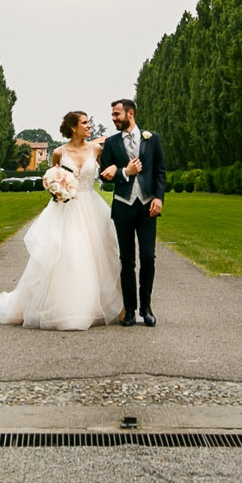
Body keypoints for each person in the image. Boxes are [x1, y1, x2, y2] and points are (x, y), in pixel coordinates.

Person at [0, 110, 124, 331]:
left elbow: (111, 168)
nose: (89, 126)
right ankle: (64, 306)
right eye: (85, 123)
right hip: (66, 209)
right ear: (73, 127)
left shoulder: (96, 150)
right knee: (68, 254)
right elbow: (52, 178)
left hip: (91, 207)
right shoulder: (59, 153)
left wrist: (115, 168)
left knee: (98, 253)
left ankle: (99, 304)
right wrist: (57, 190)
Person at [96, 97, 166, 327]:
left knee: (147, 257)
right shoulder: (112, 143)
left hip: (148, 207)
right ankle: (130, 310)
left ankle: (146, 308)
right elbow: (103, 174)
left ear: (130, 114)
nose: (114, 118)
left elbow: (159, 171)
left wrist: (158, 198)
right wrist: (125, 172)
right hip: (123, 207)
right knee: (126, 261)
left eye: (117, 114)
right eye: (113, 115)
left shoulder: (152, 138)